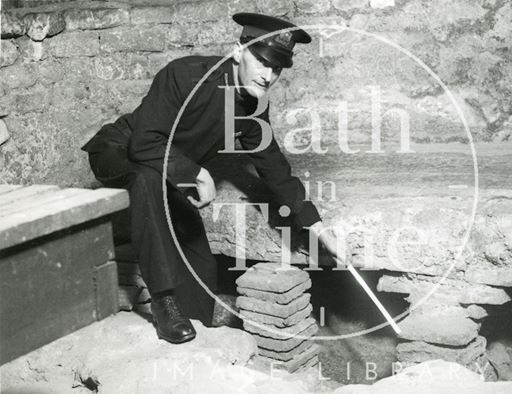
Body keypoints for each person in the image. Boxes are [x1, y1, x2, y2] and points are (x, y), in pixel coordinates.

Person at [81, 13, 341, 344]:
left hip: (166, 171)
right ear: (237, 51)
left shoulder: (252, 108)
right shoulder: (186, 75)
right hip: (119, 151)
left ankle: (199, 318)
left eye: (276, 68)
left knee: (198, 255)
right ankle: (164, 303)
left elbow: (274, 168)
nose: (267, 75)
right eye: (261, 61)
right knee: (145, 177)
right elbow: (143, 143)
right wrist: (194, 173)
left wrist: (317, 228)